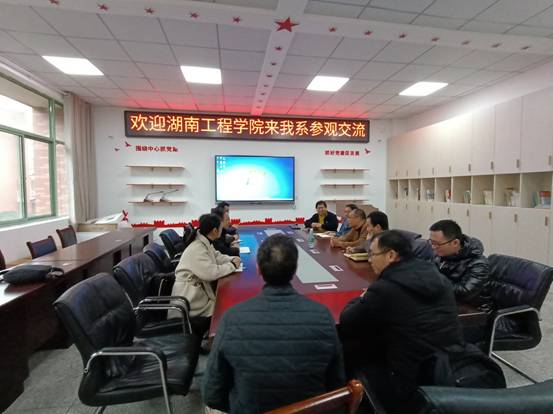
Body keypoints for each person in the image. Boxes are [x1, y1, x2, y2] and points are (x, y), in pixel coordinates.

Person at [203, 234, 345, 413]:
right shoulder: (323, 317)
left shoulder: (231, 319)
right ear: (295, 269)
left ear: (258, 269)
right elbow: (336, 385)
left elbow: (212, 394)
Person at [339, 230, 464, 413]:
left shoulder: (385, 289)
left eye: (373, 254)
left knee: (345, 342)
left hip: (407, 376)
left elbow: (347, 320)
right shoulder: (436, 275)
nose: (370, 260)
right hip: (448, 363)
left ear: (391, 255)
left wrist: (362, 297)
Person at [170, 213, 241, 337]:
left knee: (225, 305)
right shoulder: (197, 248)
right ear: (215, 231)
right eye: (220, 228)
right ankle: (216, 339)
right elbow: (211, 273)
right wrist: (232, 266)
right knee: (224, 309)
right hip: (190, 299)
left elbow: (216, 256)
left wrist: (232, 259)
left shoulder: (204, 241)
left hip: (198, 293)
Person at [429, 220, 492, 312]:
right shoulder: (440, 255)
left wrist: (434, 282)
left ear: (455, 243)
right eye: (431, 242)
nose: (433, 247)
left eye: (437, 244)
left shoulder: (479, 264)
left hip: (474, 312)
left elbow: (464, 292)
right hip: (446, 303)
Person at [347, 211, 434, 261]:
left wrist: (369, 240)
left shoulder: (392, 240)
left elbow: (372, 258)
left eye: (368, 226)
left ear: (377, 227)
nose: (367, 229)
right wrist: (355, 249)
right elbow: (366, 246)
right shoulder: (380, 238)